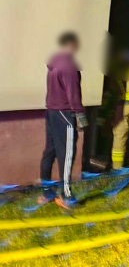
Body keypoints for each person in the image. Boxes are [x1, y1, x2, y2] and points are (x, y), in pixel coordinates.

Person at [39, 31, 88, 209]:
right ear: (73, 45)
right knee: (66, 154)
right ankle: (66, 196)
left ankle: (46, 192)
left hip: (51, 111)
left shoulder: (54, 63)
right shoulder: (68, 66)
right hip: (64, 113)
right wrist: (80, 115)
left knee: (49, 151)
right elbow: (72, 92)